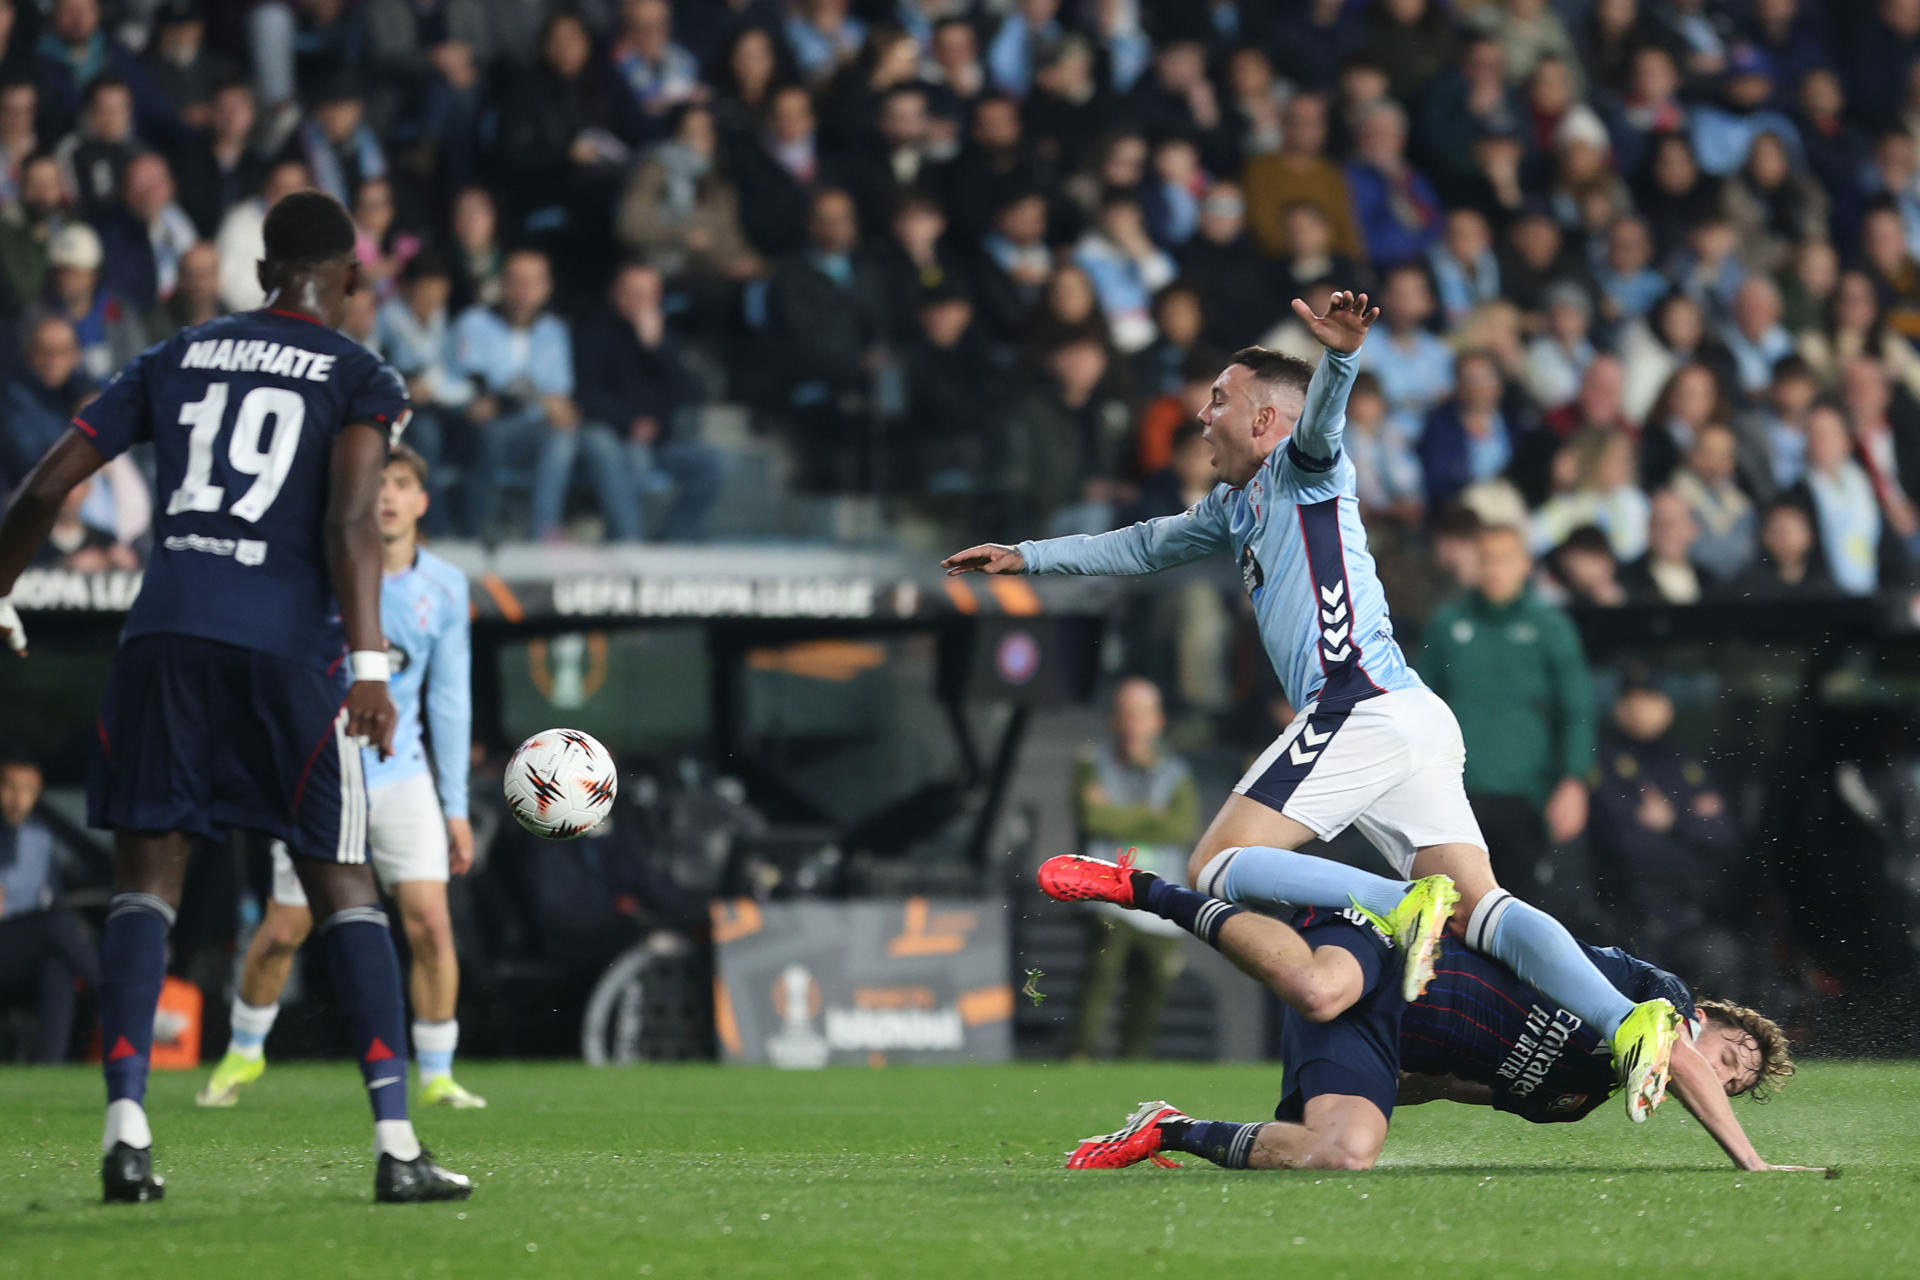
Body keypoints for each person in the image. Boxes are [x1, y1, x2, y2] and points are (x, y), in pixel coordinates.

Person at [943, 291, 1686, 1126]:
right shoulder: (1234, 506)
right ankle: (1630, 1023)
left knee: (1216, 865)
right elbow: (1143, 543)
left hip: (1356, 705)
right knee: (1482, 905)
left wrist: (1339, 358)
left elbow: (1324, 423)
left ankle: (1398, 905)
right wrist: (1028, 557)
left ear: (1265, 421)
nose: (1201, 414)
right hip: (1410, 715)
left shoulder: (1305, 467)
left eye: (1218, 399)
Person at [0, 190, 468, 1203]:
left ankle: (126, 1131)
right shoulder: (360, 373)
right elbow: (351, 522)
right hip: (284, 655)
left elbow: (44, 486)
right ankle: (396, 1146)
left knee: (145, 883)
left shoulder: (175, 354)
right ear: (349, 280)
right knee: (343, 881)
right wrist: (376, 664)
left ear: (262, 273)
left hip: (162, 637)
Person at [1038, 853, 1816, 1175]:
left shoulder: (1574, 1101)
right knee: (1320, 989)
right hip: (1392, 944)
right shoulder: (1659, 1000)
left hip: (1376, 1034)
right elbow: (1676, 1056)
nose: (1723, 1071)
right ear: (1708, 1018)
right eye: (1732, 1054)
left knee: (1342, 1153)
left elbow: (1449, 1083)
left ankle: (1165, 1129)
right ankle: (1148, 890)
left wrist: (1361, 1085)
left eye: (1736, 1081)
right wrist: (1751, 1163)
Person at [200, 443, 481, 1111]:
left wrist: (456, 807)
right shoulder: (318, 574)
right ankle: (243, 1054)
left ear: (421, 501)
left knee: (431, 927)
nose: (386, 494)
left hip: (403, 776)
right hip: (319, 777)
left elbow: (449, 699)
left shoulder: (444, 587)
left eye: (402, 483)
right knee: (282, 933)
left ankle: (438, 1071)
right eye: (377, 481)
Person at [1419, 523, 1595, 894]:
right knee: (1455, 908)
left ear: (1525, 565)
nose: (1495, 570)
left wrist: (1574, 779)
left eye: (1505, 560)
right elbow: (1419, 706)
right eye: (1486, 560)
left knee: (1528, 906)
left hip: (1531, 794)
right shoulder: (1446, 624)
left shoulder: (1551, 626)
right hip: (1458, 796)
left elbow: (1577, 708)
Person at [1065, 678, 1200, 1060]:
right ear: (1113, 720)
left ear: (1157, 721)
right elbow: (1092, 818)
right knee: (1101, 976)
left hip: (1159, 897)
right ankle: (1080, 1055)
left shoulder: (1176, 773)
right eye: (1125, 715)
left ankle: (1133, 1062)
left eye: (1140, 716)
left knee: (1154, 985)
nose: (1132, 725)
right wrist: (1149, 816)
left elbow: (1183, 827)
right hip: (1108, 891)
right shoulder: (1092, 765)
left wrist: (1119, 815)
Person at [0, 754, 100, 1063]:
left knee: (56, 971)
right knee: (54, 925)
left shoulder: (40, 839)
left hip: (20, 946)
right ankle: (114, 993)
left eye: (28, 790)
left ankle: (47, 1071)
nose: (19, 800)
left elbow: (52, 896)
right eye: (10, 788)